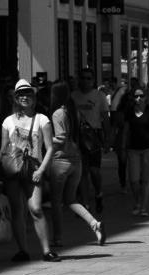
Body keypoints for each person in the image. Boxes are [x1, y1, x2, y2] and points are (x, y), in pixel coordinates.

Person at [0, 79, 59, 262]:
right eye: (20, 94)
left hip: (33, 169)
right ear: (15, 98)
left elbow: (50, 148)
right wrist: (3, 167)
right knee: (17, 210)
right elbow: (3, 149)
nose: (24, 97)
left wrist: (41, 170)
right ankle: (22, 250)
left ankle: (46, 251)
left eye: (28, 94)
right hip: (13, 170)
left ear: (34, 97)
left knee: (36, 208)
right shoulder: (8, 121)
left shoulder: (42, 119)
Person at [48, 81, 105, 248]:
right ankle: (94, 223)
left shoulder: (58, 113)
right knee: (71, 199)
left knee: (56, 202)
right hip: (76, 160)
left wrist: (45, 139)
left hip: (61, 160)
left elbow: (61, 137)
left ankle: (57, 238)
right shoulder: (74, 111)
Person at [73, 68, 110, 214]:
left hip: (93, 136)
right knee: (82, 172)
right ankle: (85, 203)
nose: (85, 81)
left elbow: (105, 119)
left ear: (93, 80)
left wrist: (107, 140)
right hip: (78, 137)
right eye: (83, 78)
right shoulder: (73, 96)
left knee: (94, 171)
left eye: (88, 78)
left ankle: (98, 193)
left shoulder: (99, 96)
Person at [122, 86, 149, 216]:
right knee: (133, 180)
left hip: (148, 149)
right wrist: (123, 147)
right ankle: (137, 202)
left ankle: (143, 207)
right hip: (133, 149)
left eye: (141, 96)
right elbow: (126, 131)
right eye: (136, 96)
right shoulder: (129, 112)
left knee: (145, 180)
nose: (139, 98)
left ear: (146, 97)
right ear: (133, 98)